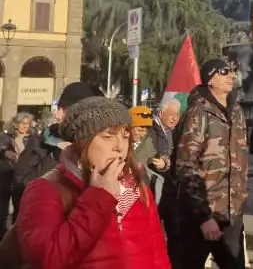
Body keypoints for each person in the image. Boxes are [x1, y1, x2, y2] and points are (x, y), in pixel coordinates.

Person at [16, 96, 170, 268]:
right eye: (108, 137)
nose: (120, 146)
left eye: (125, 136)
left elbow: (157, 254)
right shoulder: (47, 189)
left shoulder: (136, 186)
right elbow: (46, 259)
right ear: (82, 142)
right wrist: (98, 197)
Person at [172, 58, 248, 269]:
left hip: (232, 215)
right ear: (210, 79)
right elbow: (185, 167)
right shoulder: (198, 113)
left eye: (232, 71)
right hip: (202, 215)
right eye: (224, 72)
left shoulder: (237, 111)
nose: (231, 75)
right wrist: (203, 217)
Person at [13, 82, 105, 189]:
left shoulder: (103, 149)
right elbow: (21, 187)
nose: (57, 115)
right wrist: (57, 155)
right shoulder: (40, 143)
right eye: (58, 108)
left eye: (65, 110)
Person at [149, 98, 181, 269]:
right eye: (172, 115)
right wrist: (164, 163)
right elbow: (147, 155)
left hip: (171, 189)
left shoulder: (173, 132)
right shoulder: (150, 130)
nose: (175, 118)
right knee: (152, 233)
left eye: (177, 115)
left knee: (175, 234)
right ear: (161, 113)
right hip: (153, 189)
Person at [0, 112, 32, 235]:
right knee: (2, 210)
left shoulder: (31, 139)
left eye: (27, 123)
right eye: (22, 123)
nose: (25, 126)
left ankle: (15, 234)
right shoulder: (6, 137)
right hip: (5, 176)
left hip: (22, 178)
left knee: (19, 209)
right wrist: (5, 153)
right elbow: (2, 148)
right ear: (15, 124)